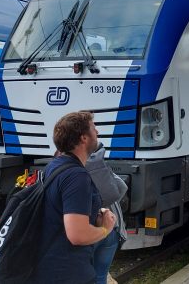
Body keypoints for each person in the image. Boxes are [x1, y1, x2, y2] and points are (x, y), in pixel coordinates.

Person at [29, 112, 116, 284]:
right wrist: (105, 228)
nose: (97, 132)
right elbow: (78, 235)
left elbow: (58, 209)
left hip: (48, 265)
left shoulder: (55, 166)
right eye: (93, 128)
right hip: (67, 272)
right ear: (84, 138)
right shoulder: (77, 176)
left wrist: (93, 212)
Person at [86, 144, 128, 284]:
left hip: (89, 230)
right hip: (112, 227)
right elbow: (122, 187)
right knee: (100, 276)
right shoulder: (99, 167)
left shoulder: (71, 167)